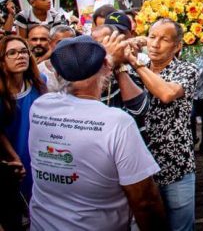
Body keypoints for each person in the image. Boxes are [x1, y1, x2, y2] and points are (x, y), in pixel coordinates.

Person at [28, 36, 166, 230]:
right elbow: (145, 201)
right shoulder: (116, 122)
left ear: (57, 72)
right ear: (106, 67)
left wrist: (107, 60)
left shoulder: (40, 107)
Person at [130, 19, 199, 231]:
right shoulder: (131, 73)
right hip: (139, 166)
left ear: (177, 46)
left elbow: (167, 94)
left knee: (180, 226)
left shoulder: (187, 70)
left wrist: (135, 63)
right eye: (152, 37)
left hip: (175, 163)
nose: (155, 44)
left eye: (164, 39)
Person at [0, 35, 46, 220]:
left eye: (23, 51)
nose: (20, 56)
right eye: (12, 53)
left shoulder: (39, 82)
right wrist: (13, 157)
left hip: (38, 155)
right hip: (12, 159)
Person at [35, 24, 75, 93]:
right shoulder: (39, 70)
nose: (65, 47)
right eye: (60, 43)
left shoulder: (80, 70)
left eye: (69, 43)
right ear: (50, 43)